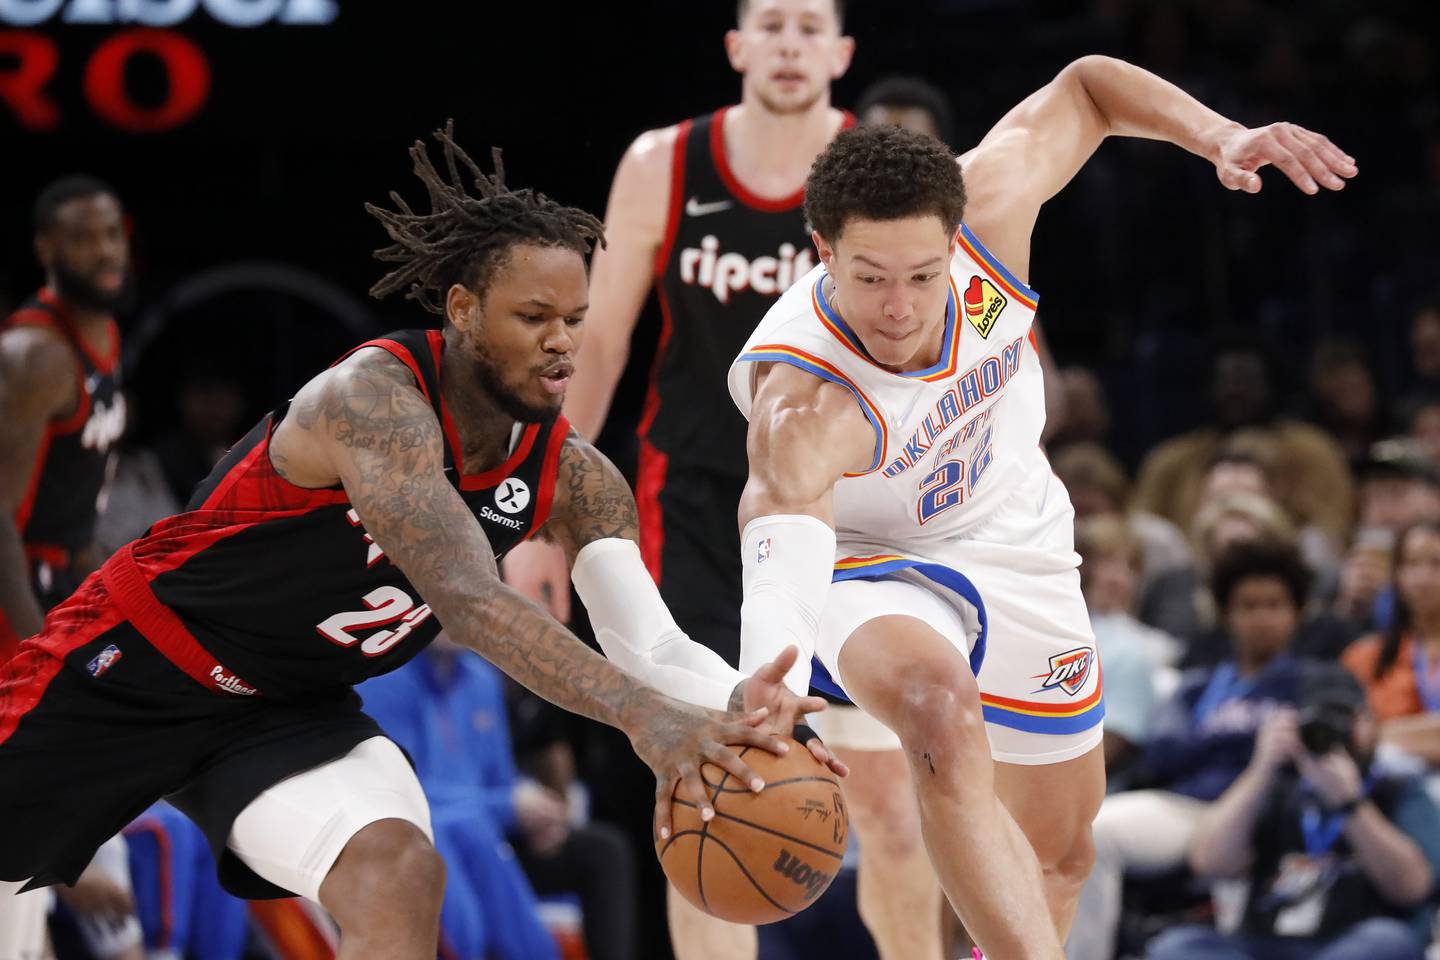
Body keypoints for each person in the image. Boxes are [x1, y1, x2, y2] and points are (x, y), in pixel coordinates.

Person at [0, 126, 830, 959]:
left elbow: (650, 642)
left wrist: (745, 712)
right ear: (464, 311)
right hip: (139, 663)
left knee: (396, 870)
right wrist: (645, 721)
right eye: (533, 316)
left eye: (575, 319)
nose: (562, 343)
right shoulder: (373, 402)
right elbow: (468, 601)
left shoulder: (576, 477)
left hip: (284, 710)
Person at [726, 56, 1356, 958]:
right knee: (939, 707)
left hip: (1013, 529)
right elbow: (778, 536)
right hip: (866, 554)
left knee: (1062, 856)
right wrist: (771, 684)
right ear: (822, 250)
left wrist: (1221, 136)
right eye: (869, 277)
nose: (899, 308)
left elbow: (1090, 88)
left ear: (955, 236)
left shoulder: (994, 201)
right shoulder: (805, 403)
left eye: (922, 274)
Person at [506, 3, 930, 957]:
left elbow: (946, 317)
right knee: (707, 799)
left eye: (808, 24)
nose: (788, 43)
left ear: (842, 52)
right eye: (769, 23)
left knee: (895, 809)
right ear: (737, 46)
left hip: (850, 506)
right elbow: (601, 339)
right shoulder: (664, 163)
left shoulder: (883, 167)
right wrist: (536, 511)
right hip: (696, 502)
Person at [1068, 540, 1330, 960]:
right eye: (1248, 606)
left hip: (1269, 813)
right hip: (1191, 808)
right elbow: (1161, 752)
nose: (1261, 618)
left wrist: (1215, 740)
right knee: (1088, 829)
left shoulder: (1314, 681)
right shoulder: (1198, 685)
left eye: (1274, 604)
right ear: (1227, 614)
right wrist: (1237, 738)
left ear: (1296, 611)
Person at [0, 175, 139, 960]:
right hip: (15, 600)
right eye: (85, 238)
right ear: (47, 250)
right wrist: (36, 648)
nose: (105, 251)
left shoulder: (103, 342)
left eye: (113, 233)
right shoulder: (32, 355)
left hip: (58, 594)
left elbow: (76, 516)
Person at [360, 635, 636, 960]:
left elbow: (501, 780)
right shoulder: (383, 681)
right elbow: (402, 789)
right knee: (463, 832)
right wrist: (508, 806)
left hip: (491, 832)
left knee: (603, 849)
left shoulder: (482, 678)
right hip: (432, 832)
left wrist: (534, 817)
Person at [1149, 675, 1440, 960]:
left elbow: (1413, 888)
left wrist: (1350, 804)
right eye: (1320, 719)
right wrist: (1260, 769)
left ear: (1371, 723)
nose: (1334, 731)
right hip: (1266, 943)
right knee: (1175, 947)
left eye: (1346, 718)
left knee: (1385, 939)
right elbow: (1210, 862)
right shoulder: (1279, 787)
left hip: (1349, 940)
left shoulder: (1399, 788)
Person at [1134, 333, 1354, 547]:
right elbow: (1139, 533)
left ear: (1271, 383)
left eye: (1247, 380)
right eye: (1225, 381)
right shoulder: (1171, 460)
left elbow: (1334, 527)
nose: (1236, 391)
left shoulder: (1313, 450)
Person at [1342, 521, 1440, 768]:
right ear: (1396, 575)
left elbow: (1371, 737)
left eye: (1436, 564)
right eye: (1411, 564)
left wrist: (1382, 735)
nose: (1423, 577)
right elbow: (1354, 738)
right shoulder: (1365, 656)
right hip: (1392, 791)